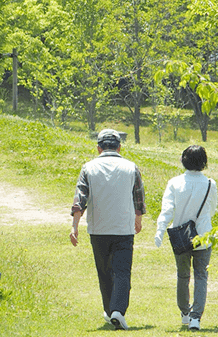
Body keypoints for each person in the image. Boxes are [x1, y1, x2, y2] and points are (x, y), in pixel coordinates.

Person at [70, 128, 146, 331]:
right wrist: (138, 219)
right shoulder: (131, 167)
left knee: (104, 271)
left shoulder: (88, 167)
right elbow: (138, 196)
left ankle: (110, 310)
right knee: (122, 271)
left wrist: (74, 226)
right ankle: (117, 311)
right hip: (123, 228)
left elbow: (80, 199)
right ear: (120, 147)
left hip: (98, 229)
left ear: (98, 148)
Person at [154, 145, 218, 331]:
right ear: (204, 162)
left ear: (183, 160)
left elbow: (167, 210)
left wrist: (160, 230)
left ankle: (185, 312)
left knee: (183, 275)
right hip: (203, 235)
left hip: (181, 236)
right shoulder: (210, 184)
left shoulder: (175, 182)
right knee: (201, 276)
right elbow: (212, 209)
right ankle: (196, 317)